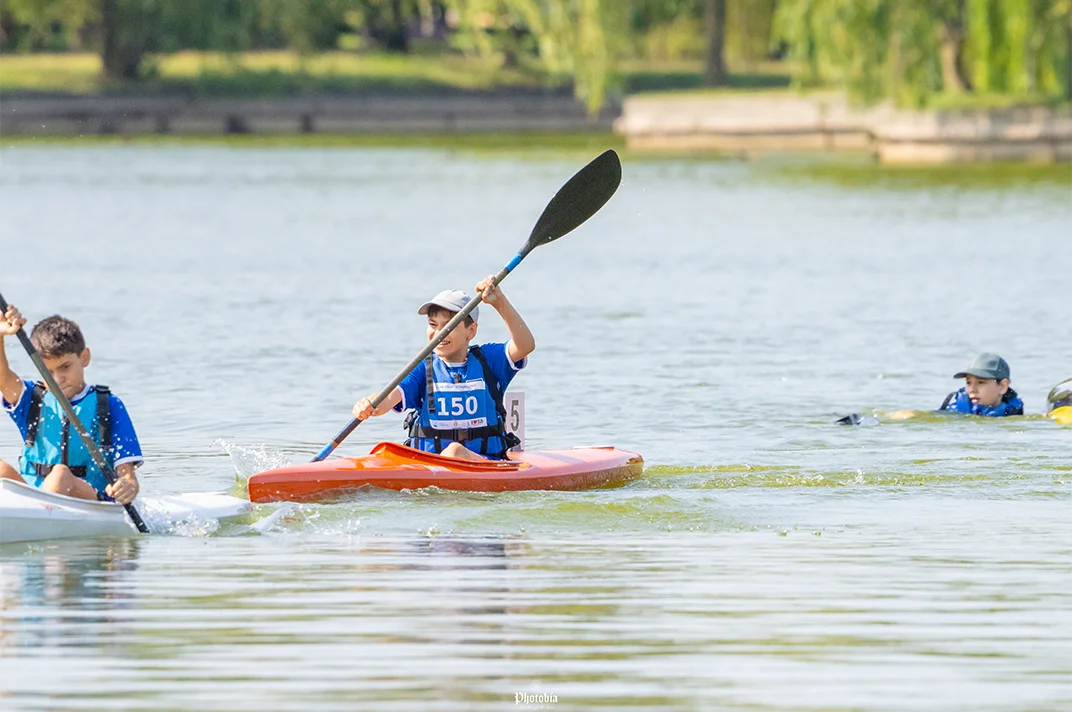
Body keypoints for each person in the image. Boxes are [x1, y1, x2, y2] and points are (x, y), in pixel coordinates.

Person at [352, 277, 535, 461]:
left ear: (471, 331)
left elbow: (525, 345)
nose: (438, 332)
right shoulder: (423, 369)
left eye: (449, 325)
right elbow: (388, 398)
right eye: (433, 324)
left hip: (488, 463)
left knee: (454, 451)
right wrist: (369, 403)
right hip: (429, 467)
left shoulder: (489, 360)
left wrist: (499, 302)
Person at [0, 305, 142, 504]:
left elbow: (128, 477)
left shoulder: (108, 405)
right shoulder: (30, 399)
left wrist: (127, 486)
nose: (57, 379)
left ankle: (40, 516)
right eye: (48, 372)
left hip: (90, 500)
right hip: (32, 498)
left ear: (84, 358)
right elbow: (3, 377)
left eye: (65, 367)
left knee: (60, 475)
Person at [938, 353, 1023, 417]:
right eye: (968, 383)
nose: (972, 389)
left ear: (1002, 386)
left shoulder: (1014, 417)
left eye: (981, 382)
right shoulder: (952, 414)